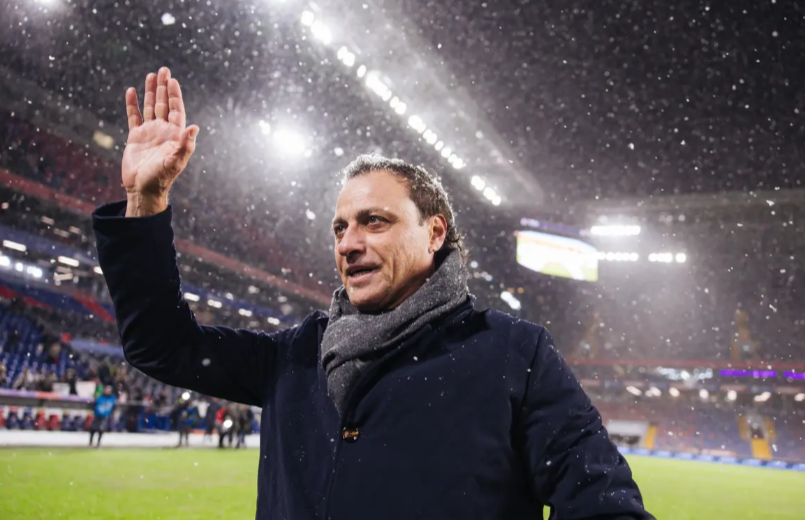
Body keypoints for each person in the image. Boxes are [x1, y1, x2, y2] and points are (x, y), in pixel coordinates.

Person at [92, 67, 652, 519]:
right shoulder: (295, 354)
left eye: (374, 221)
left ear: (435, 233)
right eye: (340, 228)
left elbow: (604, 505)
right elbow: (161, 346)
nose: (349, 243)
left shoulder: (514, 354)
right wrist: (146, 202)